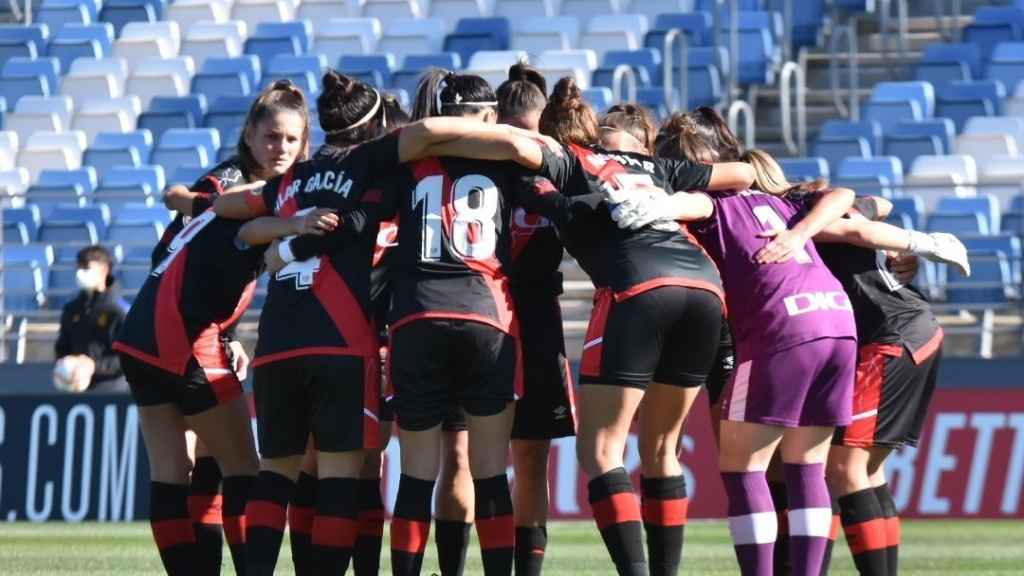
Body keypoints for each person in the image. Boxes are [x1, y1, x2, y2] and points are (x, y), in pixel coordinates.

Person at [213, 69, 563, 576]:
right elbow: (560, 204)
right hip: (463, 319)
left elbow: (240, 214)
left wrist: (286, 241)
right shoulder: (473, 161)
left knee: (341, 474)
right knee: (474, 474)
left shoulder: (313, 177)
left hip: (351, 329)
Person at [626, 116, 969, 575]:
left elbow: (680, 202)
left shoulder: (716, 204)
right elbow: (862, 211)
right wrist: (915, 242)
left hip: (799, 330)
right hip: (841, 327)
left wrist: (631, 193)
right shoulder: (787, 204)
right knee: (812, 466)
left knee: (746, 469)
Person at [508, 77, 756, 576]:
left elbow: (520, 160)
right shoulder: (655, 165)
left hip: (638, 288)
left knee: (601, 450)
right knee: (662, 449)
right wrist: (672, 203)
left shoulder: (570, 163)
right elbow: (745, 173)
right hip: (706, 291)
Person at [155, 79, 313, 575]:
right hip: (182, 326)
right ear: (249, 135)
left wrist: (229, 334)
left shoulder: (285, 186)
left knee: (199, 464)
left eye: (291, 139)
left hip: (190, 327)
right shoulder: (229, 181)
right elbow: (183, 214)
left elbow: (226, 265)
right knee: (227, 466)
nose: (281, 148)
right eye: (271, 137)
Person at [498, 63, 578, 576]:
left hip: (540, 324)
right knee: (463, 456)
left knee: (531, 457)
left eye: (536, 135)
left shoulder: (560, 172)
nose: (528, 145)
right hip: (481, 318)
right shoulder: (470, 173)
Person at [53, 245, 129, 393]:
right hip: (75, 390)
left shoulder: (120, 311)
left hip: (114, 392)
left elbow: (129, 359)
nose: (80, 273)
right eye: (79, 268)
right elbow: (62, 347)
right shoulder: (71, 309)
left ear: (104, 270)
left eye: (86, 268)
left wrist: (93, 366)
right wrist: (68, 363)